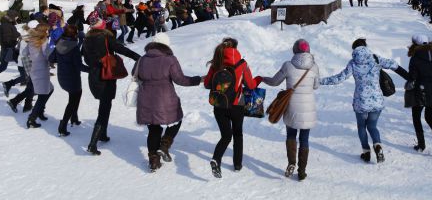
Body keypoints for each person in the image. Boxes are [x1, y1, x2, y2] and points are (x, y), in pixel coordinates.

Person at [320, 38, 405, 163]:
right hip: (377, 101)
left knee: (361, 126)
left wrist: (320, 81)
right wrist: (409, 77)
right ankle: (378, 145)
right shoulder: (375, 58)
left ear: (354, 49)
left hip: (361, 102)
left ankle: (366, 153)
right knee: (372, 126)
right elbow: (393, 64)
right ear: (365, 47)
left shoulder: (353, 63)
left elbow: (339, 78)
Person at [135, 33, 202, 172]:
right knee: (177, 120)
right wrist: (198, 79)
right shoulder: (169, 59)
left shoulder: (142, 59)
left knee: (153, 129)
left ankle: (153, 161)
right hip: (165, 98)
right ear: (166, 45)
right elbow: (180, 80)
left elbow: (134, 74)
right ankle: (164, 146)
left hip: (146, 98)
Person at [259, 39, 319, 181]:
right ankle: (302, 171)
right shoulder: (314, 67)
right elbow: (316, 86)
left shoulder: (288, 66)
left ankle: (291, 163)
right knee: (304, 139)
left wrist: (262, 78)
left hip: (291, 106)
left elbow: (274, 82)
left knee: (291, 136)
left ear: (294, 50)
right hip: (308, 108)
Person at [82, 10, 140, 155]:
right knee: (104, 108)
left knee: (104, 105)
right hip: (105, 77)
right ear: (101, 25)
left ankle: (102, 134)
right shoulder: (106, 38)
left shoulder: (86, 39)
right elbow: (121, 49)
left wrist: (96, 63)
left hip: (94, 76)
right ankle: (92, 144)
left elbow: (85, 59)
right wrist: (137, 57)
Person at [204, 38, 260, 178]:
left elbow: (206, 84)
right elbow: (251, 85)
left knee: (225, 136)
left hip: (219, 105)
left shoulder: (216, 64)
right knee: (237, 134)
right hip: (237, 105)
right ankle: (237, 164)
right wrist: (259, 79)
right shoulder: (242, 64)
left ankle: (216, 159)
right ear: (236, 48)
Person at [405, 35, 432, 154]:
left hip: (420, 91)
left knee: (416, 117)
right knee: (430, 118)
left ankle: (421, 145)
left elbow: (412, 76)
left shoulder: (415, 58)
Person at [49, 24, 89, 136]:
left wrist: (62, 60)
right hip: (72, 78)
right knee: (73, 100)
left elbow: (51, 58)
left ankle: (74, 117)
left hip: (62, 77)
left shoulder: (59, 42)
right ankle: (63, 125)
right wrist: (92, 70)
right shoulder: (74, 47)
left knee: (75, 96)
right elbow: (79, 66)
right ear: (75, 34)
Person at [26, 23, 54, 129]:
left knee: (50, 89)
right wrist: (53, 48)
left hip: (35, 69)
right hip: (41, 70)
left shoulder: (32, 40)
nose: (48, 32)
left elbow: (26, 53)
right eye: (47, 30)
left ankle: (40, 112)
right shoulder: (43, 41)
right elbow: (47, 55)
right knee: (43, 95)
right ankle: (32, 119)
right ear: (43, 31)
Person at [6, 21, 36, 114]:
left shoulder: (28, 37)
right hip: (26, 63)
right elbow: (27, 53)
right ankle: (17, 101)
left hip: (26, 63)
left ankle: (26, 104)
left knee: (32, 86)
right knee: (34, 86)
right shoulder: (27, 38)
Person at [0, 10, 21, 85]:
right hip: (8, 49)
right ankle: (24, 78)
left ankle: (24, 78)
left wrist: (19, 35)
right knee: (21, 64)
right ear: (12, 17)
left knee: (3, 67)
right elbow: (6, 39)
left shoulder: (9, 24)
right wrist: (16, 41)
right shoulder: (5, 25)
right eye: (16, 17)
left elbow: (14, 33)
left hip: (8, 48)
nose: (16, 18)